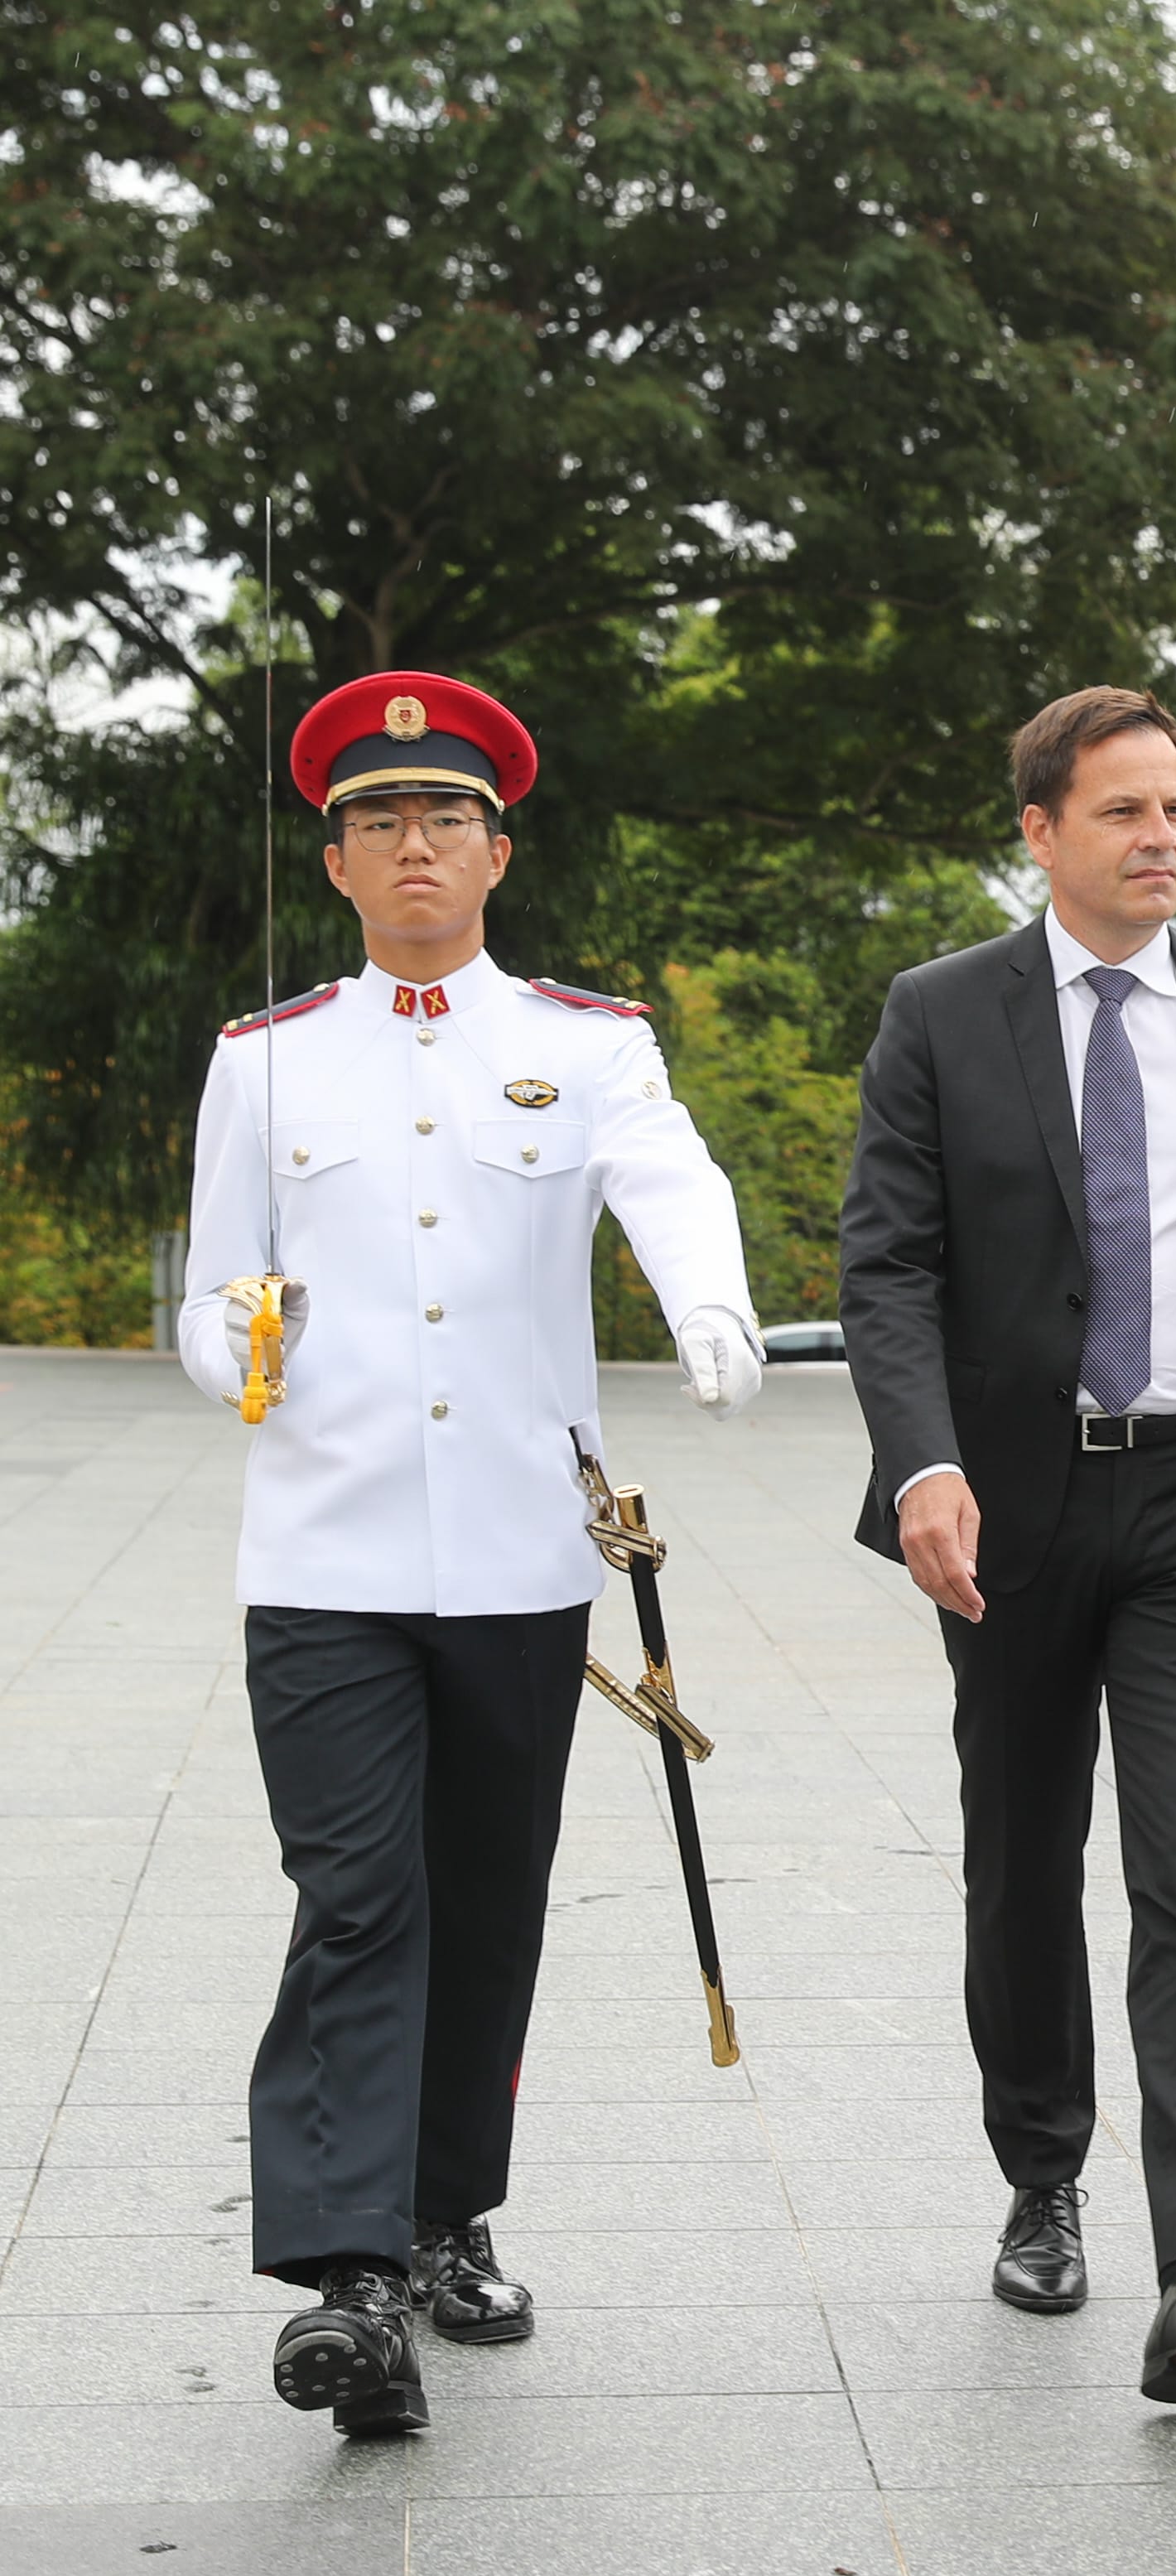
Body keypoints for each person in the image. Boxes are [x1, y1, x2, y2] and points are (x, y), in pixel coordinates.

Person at [186, 671, 760, 2439]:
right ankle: (350, 2277)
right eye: (379, 823)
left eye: (445, 819)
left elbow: (663, 1177)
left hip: (517, 1557)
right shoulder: (264, 1060)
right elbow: (213, 1291)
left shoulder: (586, 1044)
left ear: (496, 852)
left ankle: (448, 2216)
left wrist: (710, 1306)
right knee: (360, 1898)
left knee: (489, 1904)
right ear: (340, 862)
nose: (413, 846)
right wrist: (239, 1351)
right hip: (326, 1555)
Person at [839, 684, 1176, 2404]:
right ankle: (1039, 2174)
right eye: (1124, 813)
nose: (1163, 838)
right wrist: (922, 1463)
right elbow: (888, 1267)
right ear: (1039, 831)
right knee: (1021, 1854)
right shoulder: (941, 1014)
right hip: (1005, 1505)